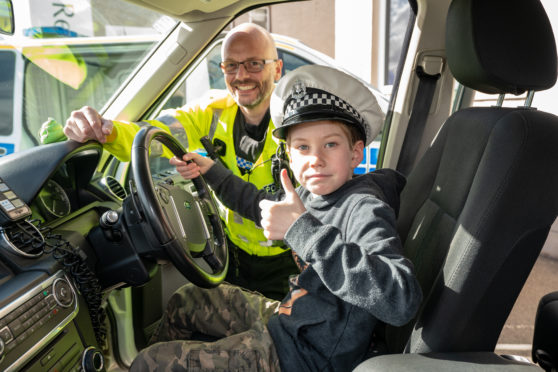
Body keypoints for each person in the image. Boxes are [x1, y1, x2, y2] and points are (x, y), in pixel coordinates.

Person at [131, 65, 423, 371]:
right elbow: (259, 204)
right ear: (290, 156)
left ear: (355, 153)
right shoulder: (313, 194)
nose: (316, 159)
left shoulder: (363, 208)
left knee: (149, 364)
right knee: (186, 299)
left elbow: (401, 299)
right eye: (303, 147)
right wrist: (212, 172)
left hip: (305, 357)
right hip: (292, 318)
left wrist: (303, 231)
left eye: (331, 144)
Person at [63, 23, 300, 300]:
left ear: (278, 69)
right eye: (231, 66)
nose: (241, 76)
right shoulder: (211, 112)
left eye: (254, 64)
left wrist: (212, 173)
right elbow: (150, 132)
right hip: (231, 256)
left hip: (288, 261)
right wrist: (104, 129)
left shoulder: (299, 123)